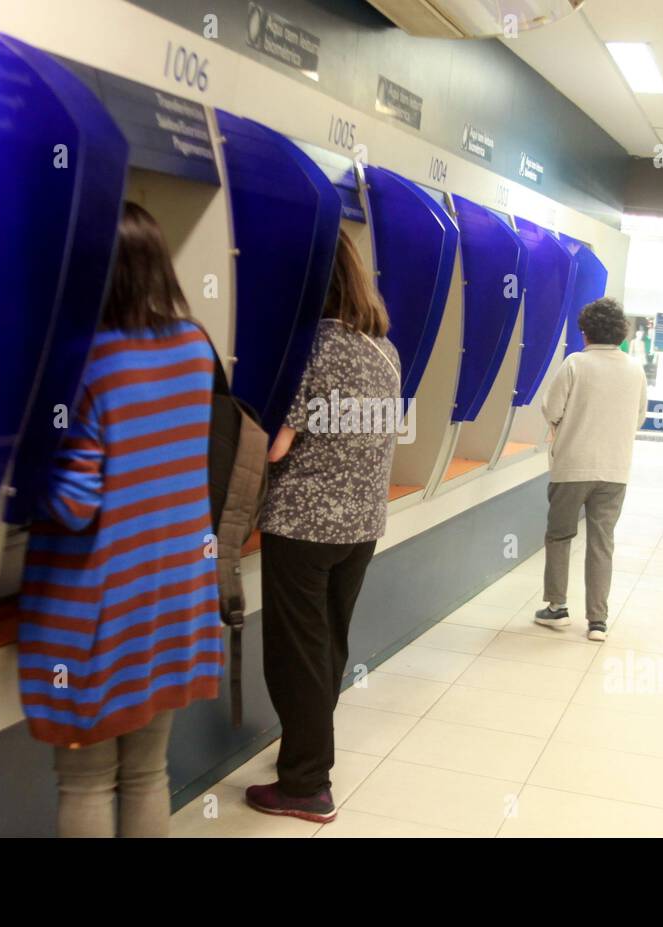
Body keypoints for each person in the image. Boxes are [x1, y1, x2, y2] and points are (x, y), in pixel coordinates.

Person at [16, 203, 223, 837]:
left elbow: (75, 504)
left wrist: (19, 471)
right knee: (146, 773)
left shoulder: (86, 364)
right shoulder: (194, 347)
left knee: (85, 780)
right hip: (173, 599)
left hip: (97, 610)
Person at [245, 232, 401, 824]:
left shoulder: (309, 346)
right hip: (361, 527)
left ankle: (307, 785)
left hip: (304, 524)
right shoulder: (384, 349)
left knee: (295, 655)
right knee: (327, 648)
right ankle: (304, 758)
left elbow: (278, 448)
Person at [535, 297, 647, 641]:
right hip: (615, 470)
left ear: (585, 332)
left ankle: (557, 608)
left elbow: (551, 408)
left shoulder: (575, 364)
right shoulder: (635, 368)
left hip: (572, 467)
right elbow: (639, 418)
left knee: (560, 536)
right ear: (620, 332)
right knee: (602, 542)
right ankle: (597, 620)